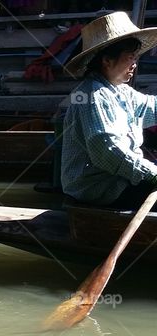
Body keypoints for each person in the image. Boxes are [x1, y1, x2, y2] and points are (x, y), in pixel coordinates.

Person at [61, 11, 157, 209]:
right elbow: (108, 150)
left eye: (135, 58)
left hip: (118, 179)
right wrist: (152, 173)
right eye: (130, 58)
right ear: (107, 60)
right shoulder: (92, 95)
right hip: (98, 188)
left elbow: (151, 107)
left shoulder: (121, 91)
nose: (134, 64)